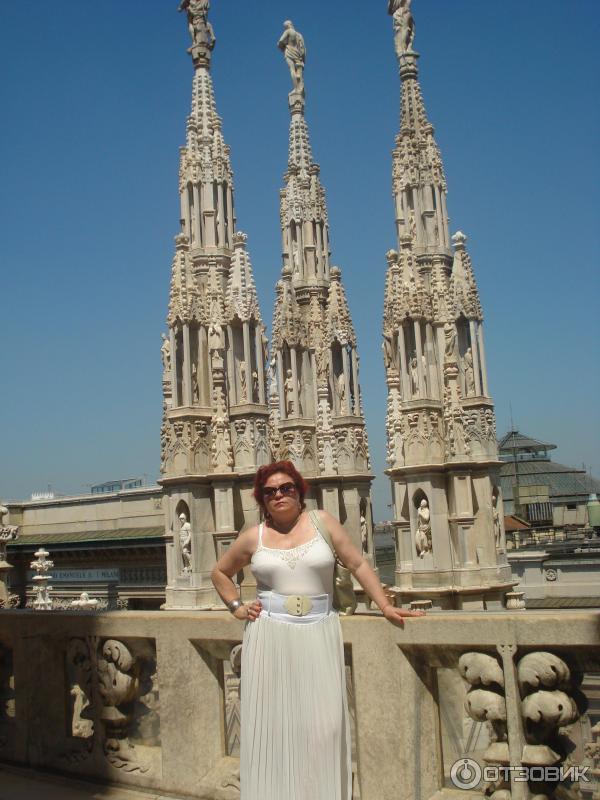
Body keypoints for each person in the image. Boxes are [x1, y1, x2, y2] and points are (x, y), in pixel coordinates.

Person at [211, 460, 425, 799]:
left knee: (325, 727)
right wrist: (236, 606)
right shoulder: (254, 536)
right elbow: (220, 572)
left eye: (286, 488)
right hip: (269, 636)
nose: (278, 495)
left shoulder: (322, 521)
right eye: (269, 492)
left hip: (320, 630)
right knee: (274, 728)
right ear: (261, 500)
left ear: (299, 492)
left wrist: (384, 605)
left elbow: (356, 562)